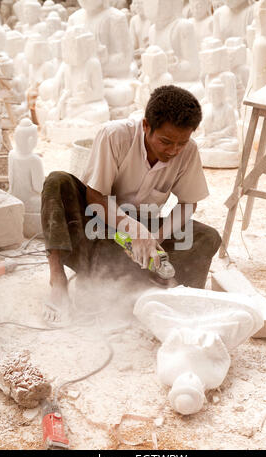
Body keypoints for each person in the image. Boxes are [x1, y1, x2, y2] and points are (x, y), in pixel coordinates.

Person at [41, 85, 221, 323]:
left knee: (207, 237)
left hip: (142, 229)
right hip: (96, 224)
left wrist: (155, 237)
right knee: (57, 181)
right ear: (146, 126)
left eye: (181, 143)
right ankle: (58, 279)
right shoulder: (115, 135)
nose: (174, 150)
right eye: (166, 141)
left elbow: (188, 203)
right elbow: (95, 197)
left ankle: (164, 293)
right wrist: (133, 229)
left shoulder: (188, 151)